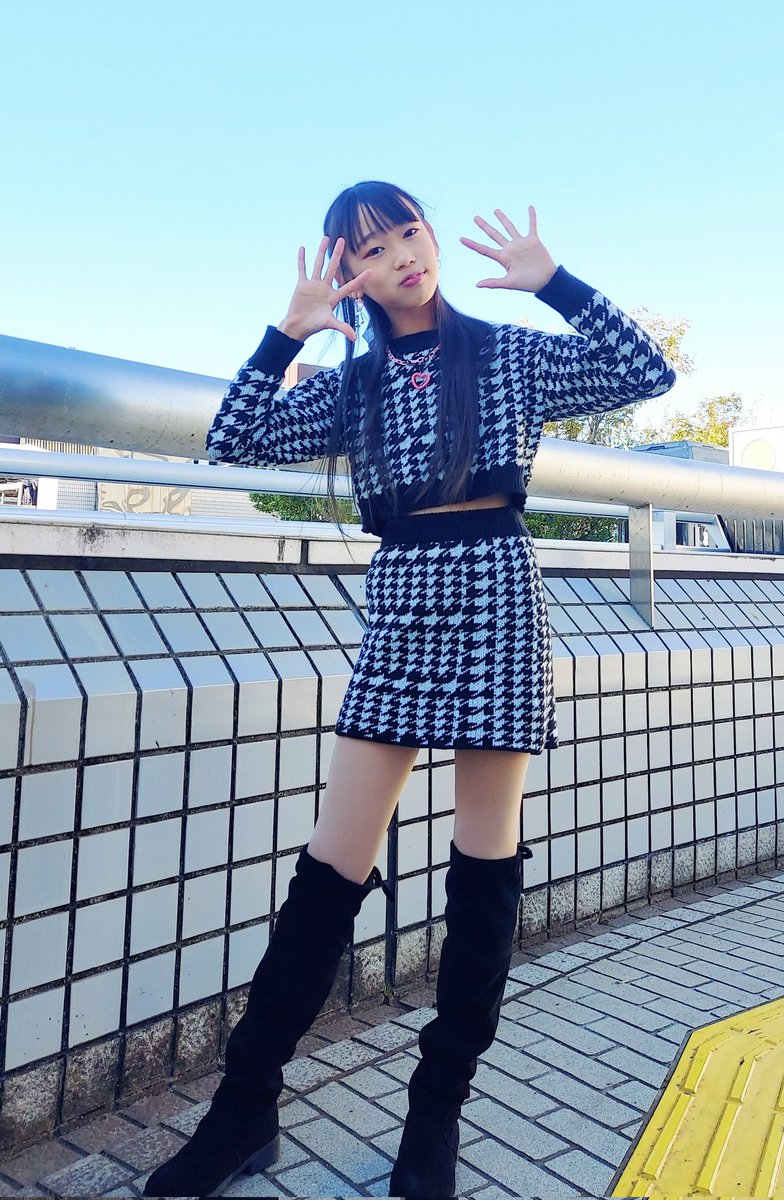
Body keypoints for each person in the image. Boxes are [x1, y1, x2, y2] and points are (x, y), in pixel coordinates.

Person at [145, 180, 676, 1198]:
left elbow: (643, 371)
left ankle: (435, 1114)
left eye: (408, 231)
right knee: (330, 868)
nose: (401, 254)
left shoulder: (508, 352)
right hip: (402, 596)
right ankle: (244, 1107)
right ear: (348, 274)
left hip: (495, 590)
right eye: (372, 248)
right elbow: (234, 438)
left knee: (484, 864)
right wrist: (287, 332)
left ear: (429, 235)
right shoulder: (353, 384)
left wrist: (554, 282)